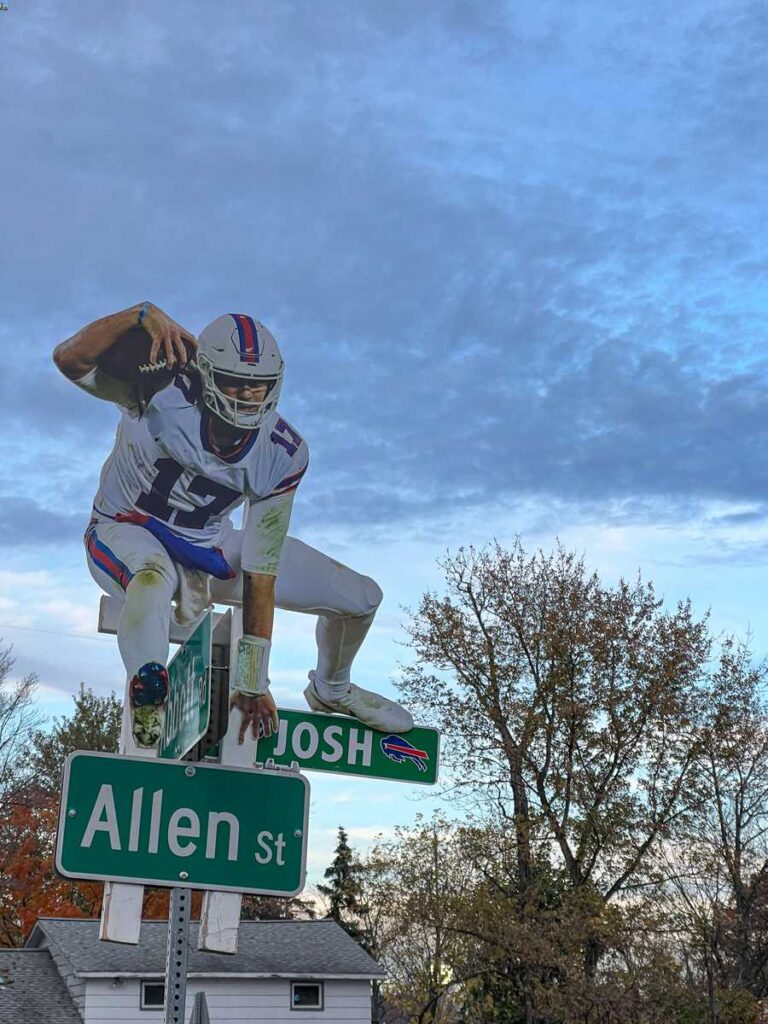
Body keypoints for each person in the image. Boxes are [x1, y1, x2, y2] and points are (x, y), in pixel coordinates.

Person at [53, 302, 413, 750]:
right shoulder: (158, 386)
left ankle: (332, 688)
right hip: (126, 530)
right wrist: (138, 316)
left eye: (257, 386)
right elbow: (70, 359)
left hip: (209, 546)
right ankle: (149, 693)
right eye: (235, 383)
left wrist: (251, 680)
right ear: (204, 374)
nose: (247, 396)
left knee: (362, 598)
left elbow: (261, 573)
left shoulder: (281, 453)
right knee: (150, 575)